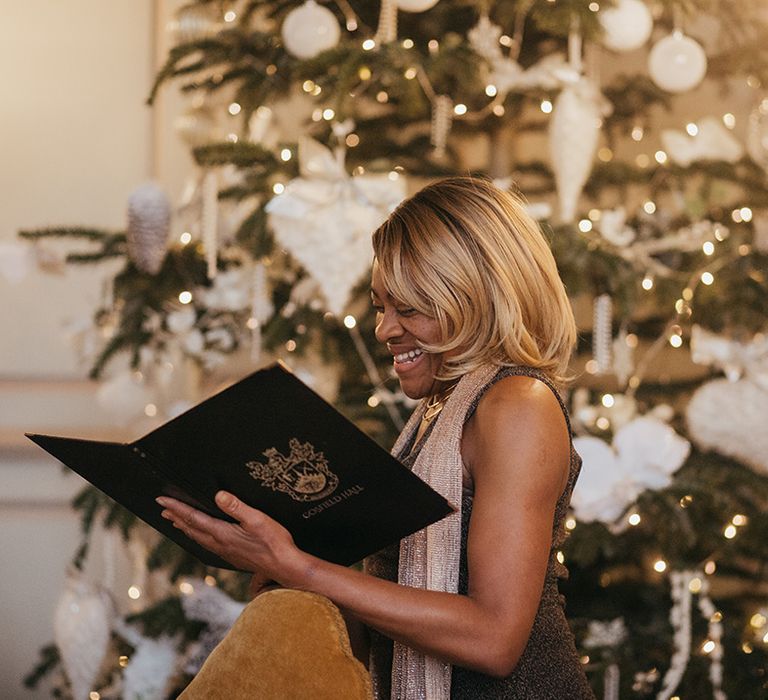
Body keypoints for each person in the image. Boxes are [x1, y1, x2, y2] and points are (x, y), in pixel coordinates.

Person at [157, 176, 595, 699]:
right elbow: (388, 628)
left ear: (478, 298)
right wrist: (277, 559)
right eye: (382, 306)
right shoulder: (434, 416)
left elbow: (493, 639)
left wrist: (299, 566)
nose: (384, 329)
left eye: (408, 309)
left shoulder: (517, 404)